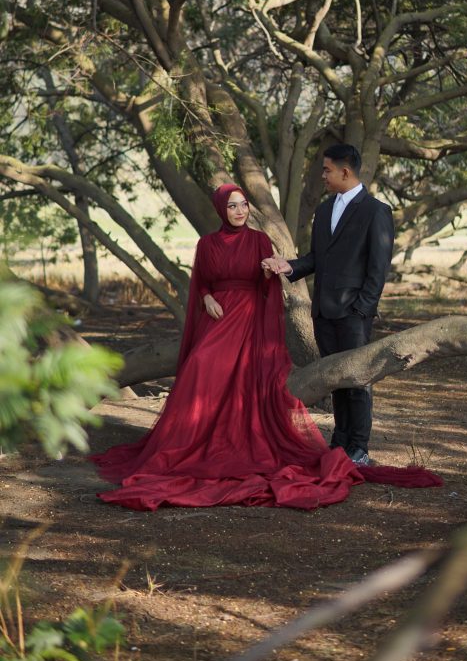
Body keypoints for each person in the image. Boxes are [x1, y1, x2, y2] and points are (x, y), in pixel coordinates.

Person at [91, 184, 440, 512]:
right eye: (232, 206)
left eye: (244, 205)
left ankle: (348, 444)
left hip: (250, 318)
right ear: (221, 209)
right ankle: (192, 435)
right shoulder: (207, 244)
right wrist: (206, 297)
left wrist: (271, 272)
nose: (240, 211)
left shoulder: (259, 240)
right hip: (219, 317)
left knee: (257, 373)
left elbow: (268, 285)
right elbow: (201, 282)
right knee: (200, 363)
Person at [262, 144, 393, 466]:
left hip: (353, 315)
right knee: (336, 380)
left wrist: (361, 311)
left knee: (357, 381)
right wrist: (289, 267)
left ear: (344, 172)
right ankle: (341, 442)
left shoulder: (376, 211)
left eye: (326, 170)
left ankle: (359, 447)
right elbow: (317, 258)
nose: (322, 175)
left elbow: (378, 269)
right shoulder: (323, 210)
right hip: (322, 312)